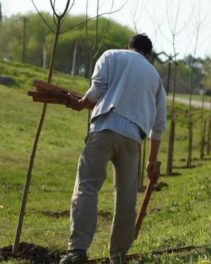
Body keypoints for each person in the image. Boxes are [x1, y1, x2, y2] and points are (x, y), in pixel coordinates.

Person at [60, 34, 167, 264]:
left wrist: (80, 104)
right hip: (132, 139)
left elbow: (96, 91)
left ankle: (77, 251)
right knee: (126, 198)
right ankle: (118, 257)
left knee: (87, 186)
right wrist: (152, 160)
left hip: (105, 126)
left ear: (127, 46)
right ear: (149, 55)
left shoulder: (111, 55)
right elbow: (159, 125)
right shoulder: (154, 76)